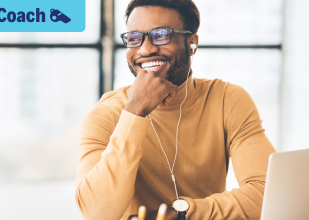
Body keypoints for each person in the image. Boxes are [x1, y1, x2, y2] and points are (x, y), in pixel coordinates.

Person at [74, 0, 276, 219]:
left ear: (191, 43)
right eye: (134, 38)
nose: (146, 49)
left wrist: (180, 214)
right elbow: (96, 213)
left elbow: (268, 193)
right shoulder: (105, 115)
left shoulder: (226, 100)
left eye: (161, 35)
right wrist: (135, 111)